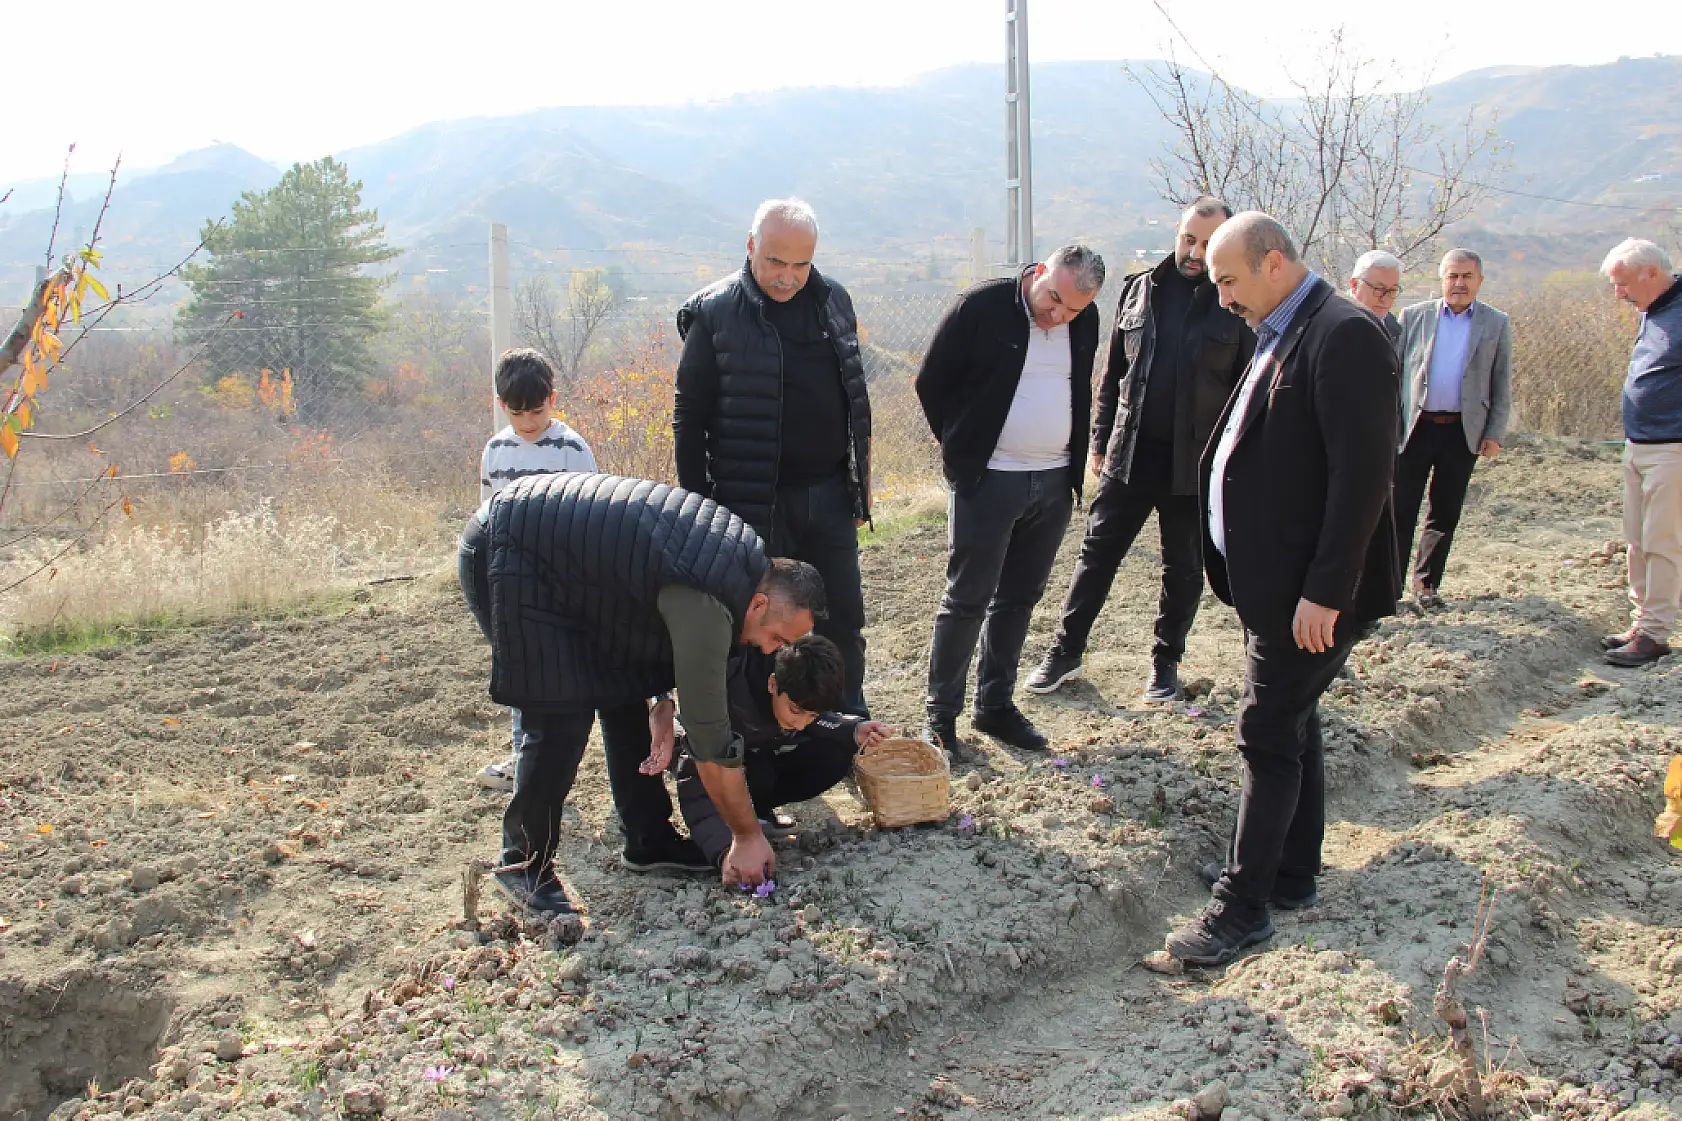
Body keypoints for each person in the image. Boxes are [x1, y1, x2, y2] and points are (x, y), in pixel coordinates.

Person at [1164, 213, 1401, 967]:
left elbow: (1363, 478)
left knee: (1266, 732)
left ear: (1272, 263)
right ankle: (1291, 872)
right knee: (1294, 722)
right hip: (1272, 583)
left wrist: (1327, 592)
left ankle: (1243, 908)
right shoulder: (1280, 328)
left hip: (1311, 591)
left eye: (1229, 278)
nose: (1222, 295)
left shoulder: (1344, 334)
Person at [458, 471, 827, 913]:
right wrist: (747, 836)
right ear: (762, 604)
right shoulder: (710, 602)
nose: (771, 651)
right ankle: (522, 864)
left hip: (570, 565)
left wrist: (661, 702)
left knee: (620, 688)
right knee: (561, 714)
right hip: (513, 548)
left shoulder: (743, 569)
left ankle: (647, 839)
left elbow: (647, 609)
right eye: (777, 639)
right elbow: (711, 745)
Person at [1028, 199, 1254, 704]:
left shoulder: (1235, 304)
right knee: (1097, 554)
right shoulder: (1140, 290)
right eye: (1188, 238)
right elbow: (1113, 376)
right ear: (1178, 233)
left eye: (1207, 243)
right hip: (1130, 453)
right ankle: (1065, 651)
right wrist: (1099, 441)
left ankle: (1164, 663)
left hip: (1195, 463)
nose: (1195, 252)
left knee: (1183, 566)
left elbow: (1245, 391)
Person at [675, 199, 872, 716]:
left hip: (828, 493)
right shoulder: (714, 312)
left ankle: (841, 720)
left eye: (799, 265)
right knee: (760, 624)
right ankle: (763, 726)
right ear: (750, 247)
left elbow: (853, 399)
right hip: (751, 504)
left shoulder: (834, 301)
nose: (787, 278)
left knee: (842, 618)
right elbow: (689, 418)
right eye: (775, 262)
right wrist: (698, 513)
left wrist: (857, 487)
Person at [915, 244, 1106, 758]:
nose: (1058, 315)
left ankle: (994, 705)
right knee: (966, 600)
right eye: (1053, 299)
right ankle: (941, 719)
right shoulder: (980, 307)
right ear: (1039, 271)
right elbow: (931, 382)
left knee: (1019, 599)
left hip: (1053, 481)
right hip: (989, 480)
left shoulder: (1083, 322)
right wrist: (963, 448)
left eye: (1072, 310)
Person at [469, 348, 598, 793]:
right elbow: (487, 515)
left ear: (553, 399)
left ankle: (565, 757)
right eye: (517, 412)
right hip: (512, 579)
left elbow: (591, 515)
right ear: (502, 405)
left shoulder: (571, 448)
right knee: (520, 670)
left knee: (571, 670)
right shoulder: (496, 450)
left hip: (562, 578)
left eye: (537, 411)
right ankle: (524, 757)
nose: (528, 422)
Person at [674, 634, 891, 869]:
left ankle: (756, 812)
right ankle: (734, 819)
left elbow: (815, 717)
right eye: (795, 711)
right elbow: (694, 780)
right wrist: (726, 852)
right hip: (717, 769)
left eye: (812, 716)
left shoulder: (796, 690)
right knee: (754, 772)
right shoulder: (728, 700)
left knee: (835, 755)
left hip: (760, 760)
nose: (800, 724)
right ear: (772, 684)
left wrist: (853, 730)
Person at [1393, 249, 1512, 608]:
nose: (1459, 283)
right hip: (1414, 428)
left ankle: (1427, 585)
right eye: (1452, 276)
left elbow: (1501, 381)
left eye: (1466, 276)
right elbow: (1395, 373)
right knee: (1399, 508)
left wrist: (1494, 432)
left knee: (1444, 511)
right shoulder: (1414, 317)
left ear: (1479, 280)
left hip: (1462, 431)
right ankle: (1389, 585)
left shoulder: (1495, 323)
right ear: (1441, 279)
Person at [1600, 238, 1682, 668]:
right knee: (1637, 540)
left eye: (1623, 283)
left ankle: (1655, 633)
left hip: (1673, 448)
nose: (1620, 294)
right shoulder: (1653, 311)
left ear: (1651, 273)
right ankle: (1640, 620)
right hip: (1640, 444)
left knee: (1662, 541)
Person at [1347, 249, 1404, 348]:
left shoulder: (1395, 328)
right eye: (1379, 289)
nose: (1385, 299)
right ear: (1355, 285)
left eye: (1392, 290)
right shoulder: (1331, 323)